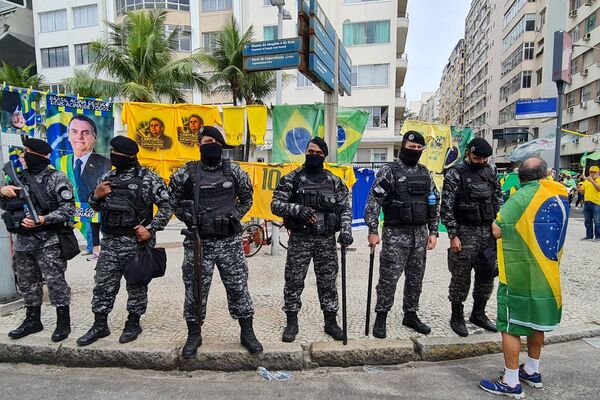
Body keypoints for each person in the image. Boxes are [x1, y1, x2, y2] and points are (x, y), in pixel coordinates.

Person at [479, 157, 569, 398]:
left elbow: (497, 229)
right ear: (545, 173)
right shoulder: (559, 191)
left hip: (520, 274)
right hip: (548, 274)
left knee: (510, 326)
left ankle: (510, 382)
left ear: (520, 176)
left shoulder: (522, 196)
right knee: (535, 322)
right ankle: (532, 370)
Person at [169, 126, 263, 357]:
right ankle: (194, 334)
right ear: (199, 144)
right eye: (206, 140)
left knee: (238, 287)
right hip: (199, 242)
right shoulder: (185, 173)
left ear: (221, 145)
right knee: (195, 290)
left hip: (229, 241)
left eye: (214, 141)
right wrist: (190, 218)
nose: (210, 144)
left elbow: (247, 199)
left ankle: (246, 332)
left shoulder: (235, 172)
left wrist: (234, 217)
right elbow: (173, 201)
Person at [76, 136, 172, 346]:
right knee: (102, 285)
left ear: (129, 155)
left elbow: (167, 205)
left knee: (136, 285)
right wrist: (96, 196)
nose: (112, 155)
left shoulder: (148, 178)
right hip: (110, 242)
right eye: (111, 151)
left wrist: (150, 229)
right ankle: (100, 325)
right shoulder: (107, 177)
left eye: (116, 152)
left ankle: (133, 323)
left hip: (135, 243)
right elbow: (97, 207)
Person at [271, 137, 353, 342]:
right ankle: (291, 322)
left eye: (317, 153)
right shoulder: (293, 179)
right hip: (300, 239)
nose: (313, 155)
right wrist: (299, 210)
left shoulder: (334, 181)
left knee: (328, 282)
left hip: (326, 240)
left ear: (324, 156)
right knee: (294, 281)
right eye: (310, 151)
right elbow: (275, 204)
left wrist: (345, 231)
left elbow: (345, 208)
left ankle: (331, 322)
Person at [363, 131, 439, 337]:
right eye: (411, 147)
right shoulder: (389, 171)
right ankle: (381, 316)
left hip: (420, 235)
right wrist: (372, 230)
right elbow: (374, 201)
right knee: (388, 278)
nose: (414, 151)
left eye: (418, 148)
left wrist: (434, 231)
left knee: (415, 279)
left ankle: (410, 314)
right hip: (395, 235)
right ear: (402, 146)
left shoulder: (425, 173)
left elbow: (433, 202)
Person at [0, 138, 75, 342]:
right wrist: (3, 193)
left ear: (40, 155)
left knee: (55, 282)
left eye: (27, 151)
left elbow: (69, 209)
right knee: (27, 283)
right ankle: (33, 320)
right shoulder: (18, 178)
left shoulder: (56, 178)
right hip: (23, 241)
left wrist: (43, 219)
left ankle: (63, 323)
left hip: (48, 241)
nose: (23, 155)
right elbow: (9, 207)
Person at [441, 137, 503, 337]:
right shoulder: (455, 174)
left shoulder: (490, 171)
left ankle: (478, 314)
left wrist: (498, 221)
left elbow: (497, 196)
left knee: (487, 274)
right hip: (464, 232)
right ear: (468, 153)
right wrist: (453, 234)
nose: (480, 162)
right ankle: (457, 316)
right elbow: (447, 206)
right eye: (477, 158)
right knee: (460, 276)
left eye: (484, 159)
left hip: (487, 231)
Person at [56, 115, 111, 259]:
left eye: (85, 133)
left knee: (95, 227)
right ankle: (90, 247)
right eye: (74, 131)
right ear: (68, 136)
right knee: (86, 227)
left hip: (93, 204)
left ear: (94, 137)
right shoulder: (60, 162)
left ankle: (98, 250)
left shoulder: (104, 163)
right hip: (74, 205)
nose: (79, 137)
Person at [578, 165, 600, 241]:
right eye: (591, 172)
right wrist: (578, 188)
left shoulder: (598, 179)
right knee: (587, 221)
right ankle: (589, 236)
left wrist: (592, 181)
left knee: (597, 221)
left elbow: (599, 188)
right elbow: (583, 192)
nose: (592, 173)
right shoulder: (587, 181)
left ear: (598, 173)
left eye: (594, 172)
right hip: (587, 203)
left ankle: (598, 236)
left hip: (597, 203)